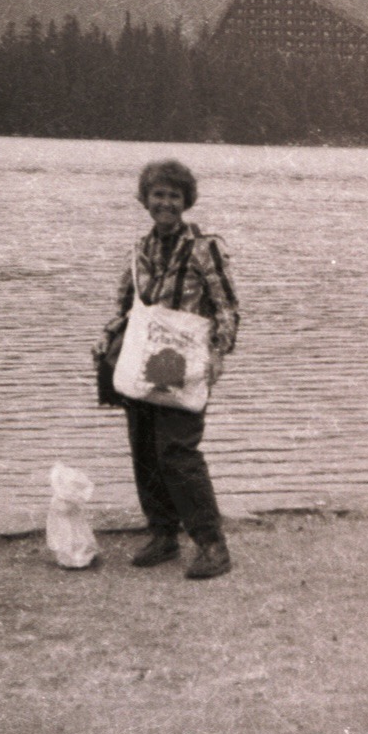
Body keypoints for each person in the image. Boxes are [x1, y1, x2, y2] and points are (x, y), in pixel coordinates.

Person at [93, 159, 240, 580]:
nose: (166, 203)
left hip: (183, 362)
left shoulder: (205, 247)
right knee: (144, 451)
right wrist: (106, 337)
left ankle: (212, 545)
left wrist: (219, 353)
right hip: (140, 361)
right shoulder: (139, 250)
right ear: (145, 199)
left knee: (178, 453)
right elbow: (126, 308)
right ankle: (163, 535)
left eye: (174, 196)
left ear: (186, 201)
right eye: (158, 195)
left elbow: (228, 307)